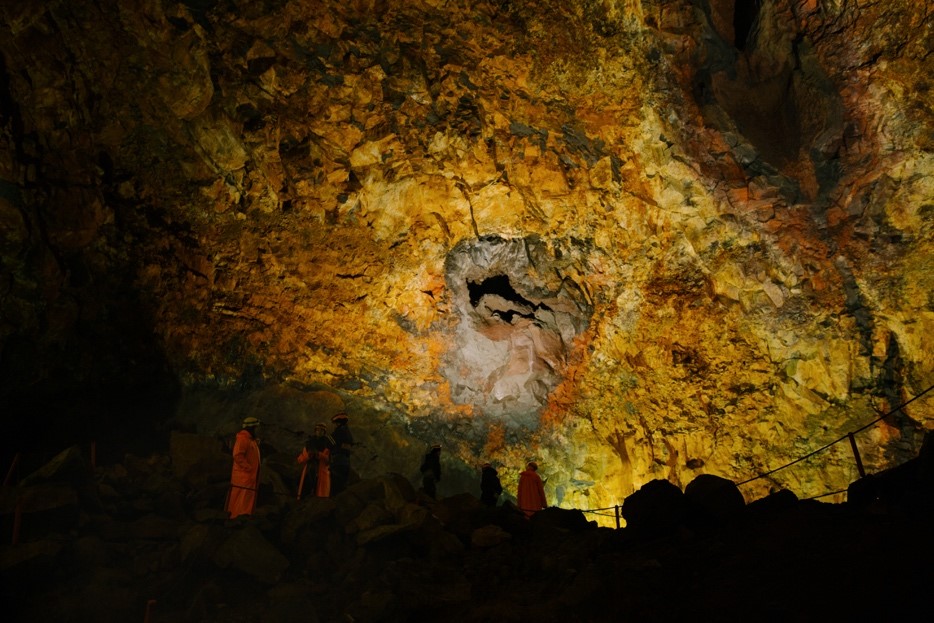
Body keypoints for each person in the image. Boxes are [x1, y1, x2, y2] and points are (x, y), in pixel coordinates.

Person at [226, 416, 261, 518]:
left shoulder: (250, 440)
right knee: (240, 501)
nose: (258, 430)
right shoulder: (243, 439)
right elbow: (237, 455)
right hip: (243, 478)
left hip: (248, 478)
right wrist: (248, 468)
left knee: (245, 500)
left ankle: (242, 518)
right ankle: (236, 518)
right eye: (256, 428)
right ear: (251, 428)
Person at [297, 423, 334, 498]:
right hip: (309, 468)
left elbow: (329, 460)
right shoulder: (309, 443)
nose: (319, 432)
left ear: (324, 432)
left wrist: (319, 454)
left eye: (321, 431)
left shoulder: (328, 444)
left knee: (319, 494)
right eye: (318, 430)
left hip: (321, 470)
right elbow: (300, 459)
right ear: (315, 431)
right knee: (306, 489)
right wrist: (309, 455)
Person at [329, 412, 354, 495]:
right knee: (343, 482)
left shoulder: (337, 433)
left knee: (336, 481)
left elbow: (329, 443)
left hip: (338, 459)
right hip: (346, 460)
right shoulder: (348, 433)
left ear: (338, 423)